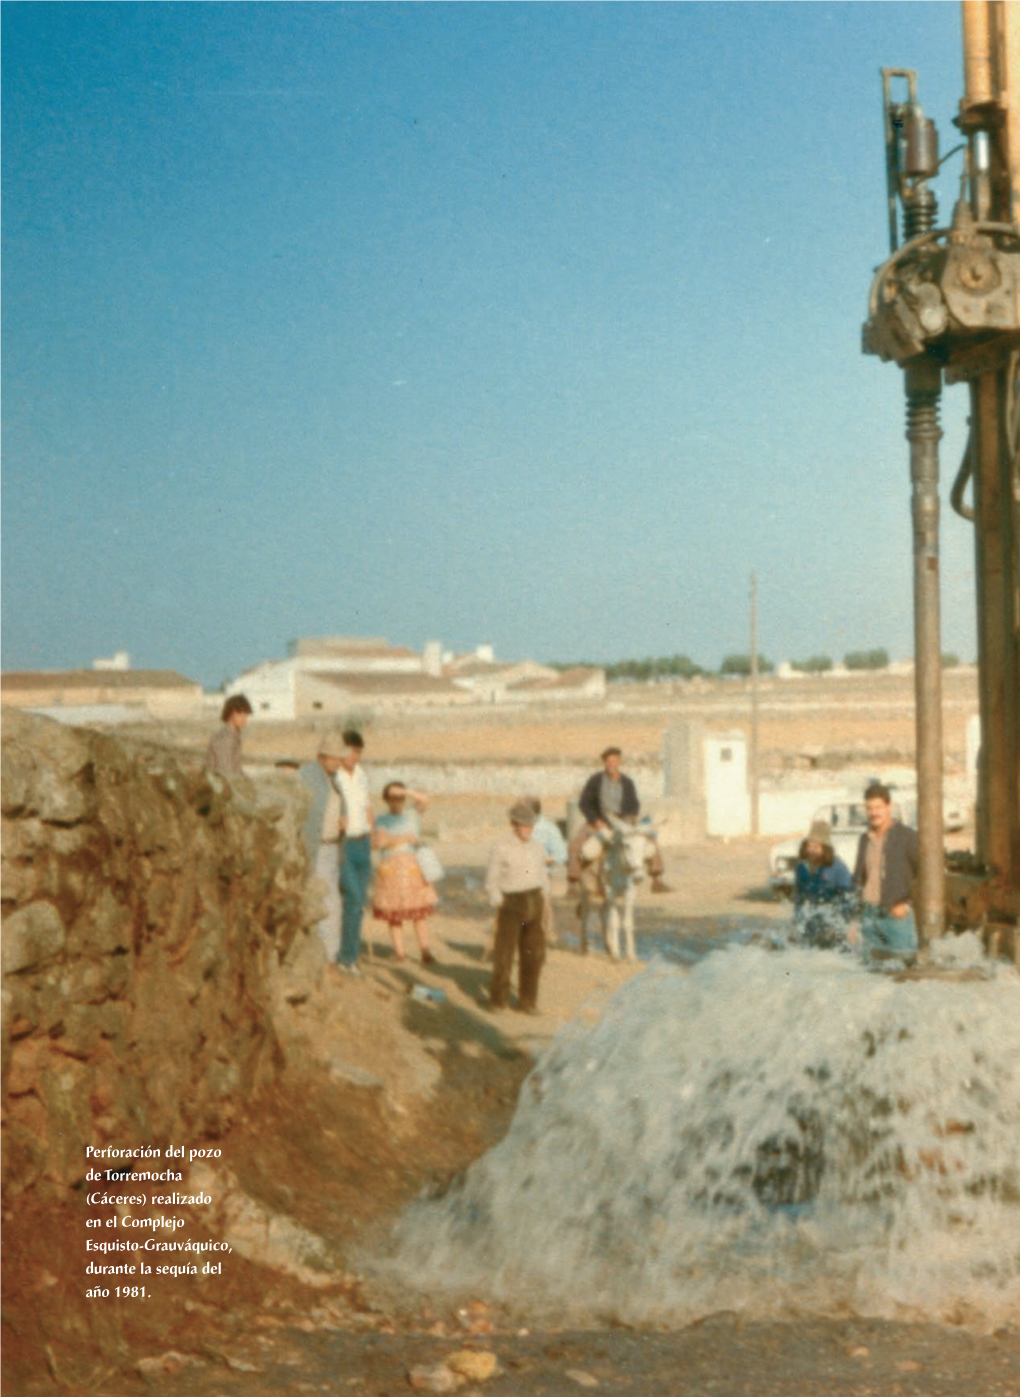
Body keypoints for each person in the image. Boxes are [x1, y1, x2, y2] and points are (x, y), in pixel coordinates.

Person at [567, 746, 669, 892]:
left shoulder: (628, 782)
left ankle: (656, 879)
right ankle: (573, 883)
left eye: (614, 761)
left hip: (622, 823)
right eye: (608, 761)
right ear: (604, 762)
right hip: (599, 821)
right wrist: (595, 820)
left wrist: (629, 819)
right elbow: (584, 803)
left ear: (619, 762)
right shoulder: (595, 780)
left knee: (650, 840)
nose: (611, 764)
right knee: (575, 846)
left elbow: (634, 804)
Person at [485, 800, 549, 1013]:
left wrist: (546, 901)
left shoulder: (538, 847)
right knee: (504, 954)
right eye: (524, 826)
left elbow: (542, 875)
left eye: (531, 826)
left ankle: (528, 1002)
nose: (528, 830)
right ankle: (498, 1001)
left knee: (533, 955)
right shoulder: (501, 846)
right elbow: (491, 879)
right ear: (514, 824)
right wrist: (497, 899)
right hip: (511, 904)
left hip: (534, 901)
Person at [852, 782, 920, 964]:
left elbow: (923, 876)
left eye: (878, 807)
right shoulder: (864, 839)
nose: (874, 813)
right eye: (869, 808)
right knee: (872, 977)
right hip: (869, 916)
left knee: (904, 974)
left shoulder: (907, 836)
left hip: (896, 917)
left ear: (889, 807)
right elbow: (858, 879)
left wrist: (906, 903)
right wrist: (854, 920)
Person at [371, 782, 438, 965]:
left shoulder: (412, 814)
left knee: (419, 912)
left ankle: (425, 950)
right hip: (390, 870)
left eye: (400, 798)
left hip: (412, 869)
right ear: (386, 800)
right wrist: (404, 838)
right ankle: (399, 952)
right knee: (393, 914)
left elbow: (426, 799)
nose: (397, 802)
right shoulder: (381, 819)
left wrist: (407, 791)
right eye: (393, 798)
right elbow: (378, 843)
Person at [299, 733, 346, 963]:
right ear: (322, 757)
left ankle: (328, 956)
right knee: (325, 902)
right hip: (314, 847)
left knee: (330, 901)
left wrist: (342, 819)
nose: (339, 762)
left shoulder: (333, 778)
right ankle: (326, 958)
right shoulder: (306, 776)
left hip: (331, 847)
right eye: (335, 758)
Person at [334, 729, 374, 974]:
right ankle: (344, 957)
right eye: (352, 751)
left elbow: (367, 806)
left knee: (358, 904)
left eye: (359, 752)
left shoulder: (361, 774)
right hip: (345, 844)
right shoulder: (335, 776)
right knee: (353, 898)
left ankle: (351, 958)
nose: (356, 757)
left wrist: (372, 832)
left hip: (363, 843)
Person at [793, 818, 854, 948]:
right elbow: (799, 898)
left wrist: (840, 927)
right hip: (810, 924)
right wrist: (797, 923)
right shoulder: (801, 867)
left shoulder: (838, 867)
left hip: (832, 925)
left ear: (825, 849)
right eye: (809, 846)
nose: (811, 850)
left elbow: (848, 900)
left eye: (816, 847)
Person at [525, 795, 566, 947]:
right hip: (519, 871)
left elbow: (561, 855)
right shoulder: (519, 827)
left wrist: (540, 860)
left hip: (540, 872)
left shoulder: (548, 828)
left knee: (543, 905)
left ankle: (549, 934)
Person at [205, 694, 252, 776]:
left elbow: (236, 766)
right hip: (220, 784)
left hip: (231, 781)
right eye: (239, 714)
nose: (244, 718)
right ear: (230, 713)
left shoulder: (235, 734)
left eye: (246, 715)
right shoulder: (224, 737)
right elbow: (225, 770)